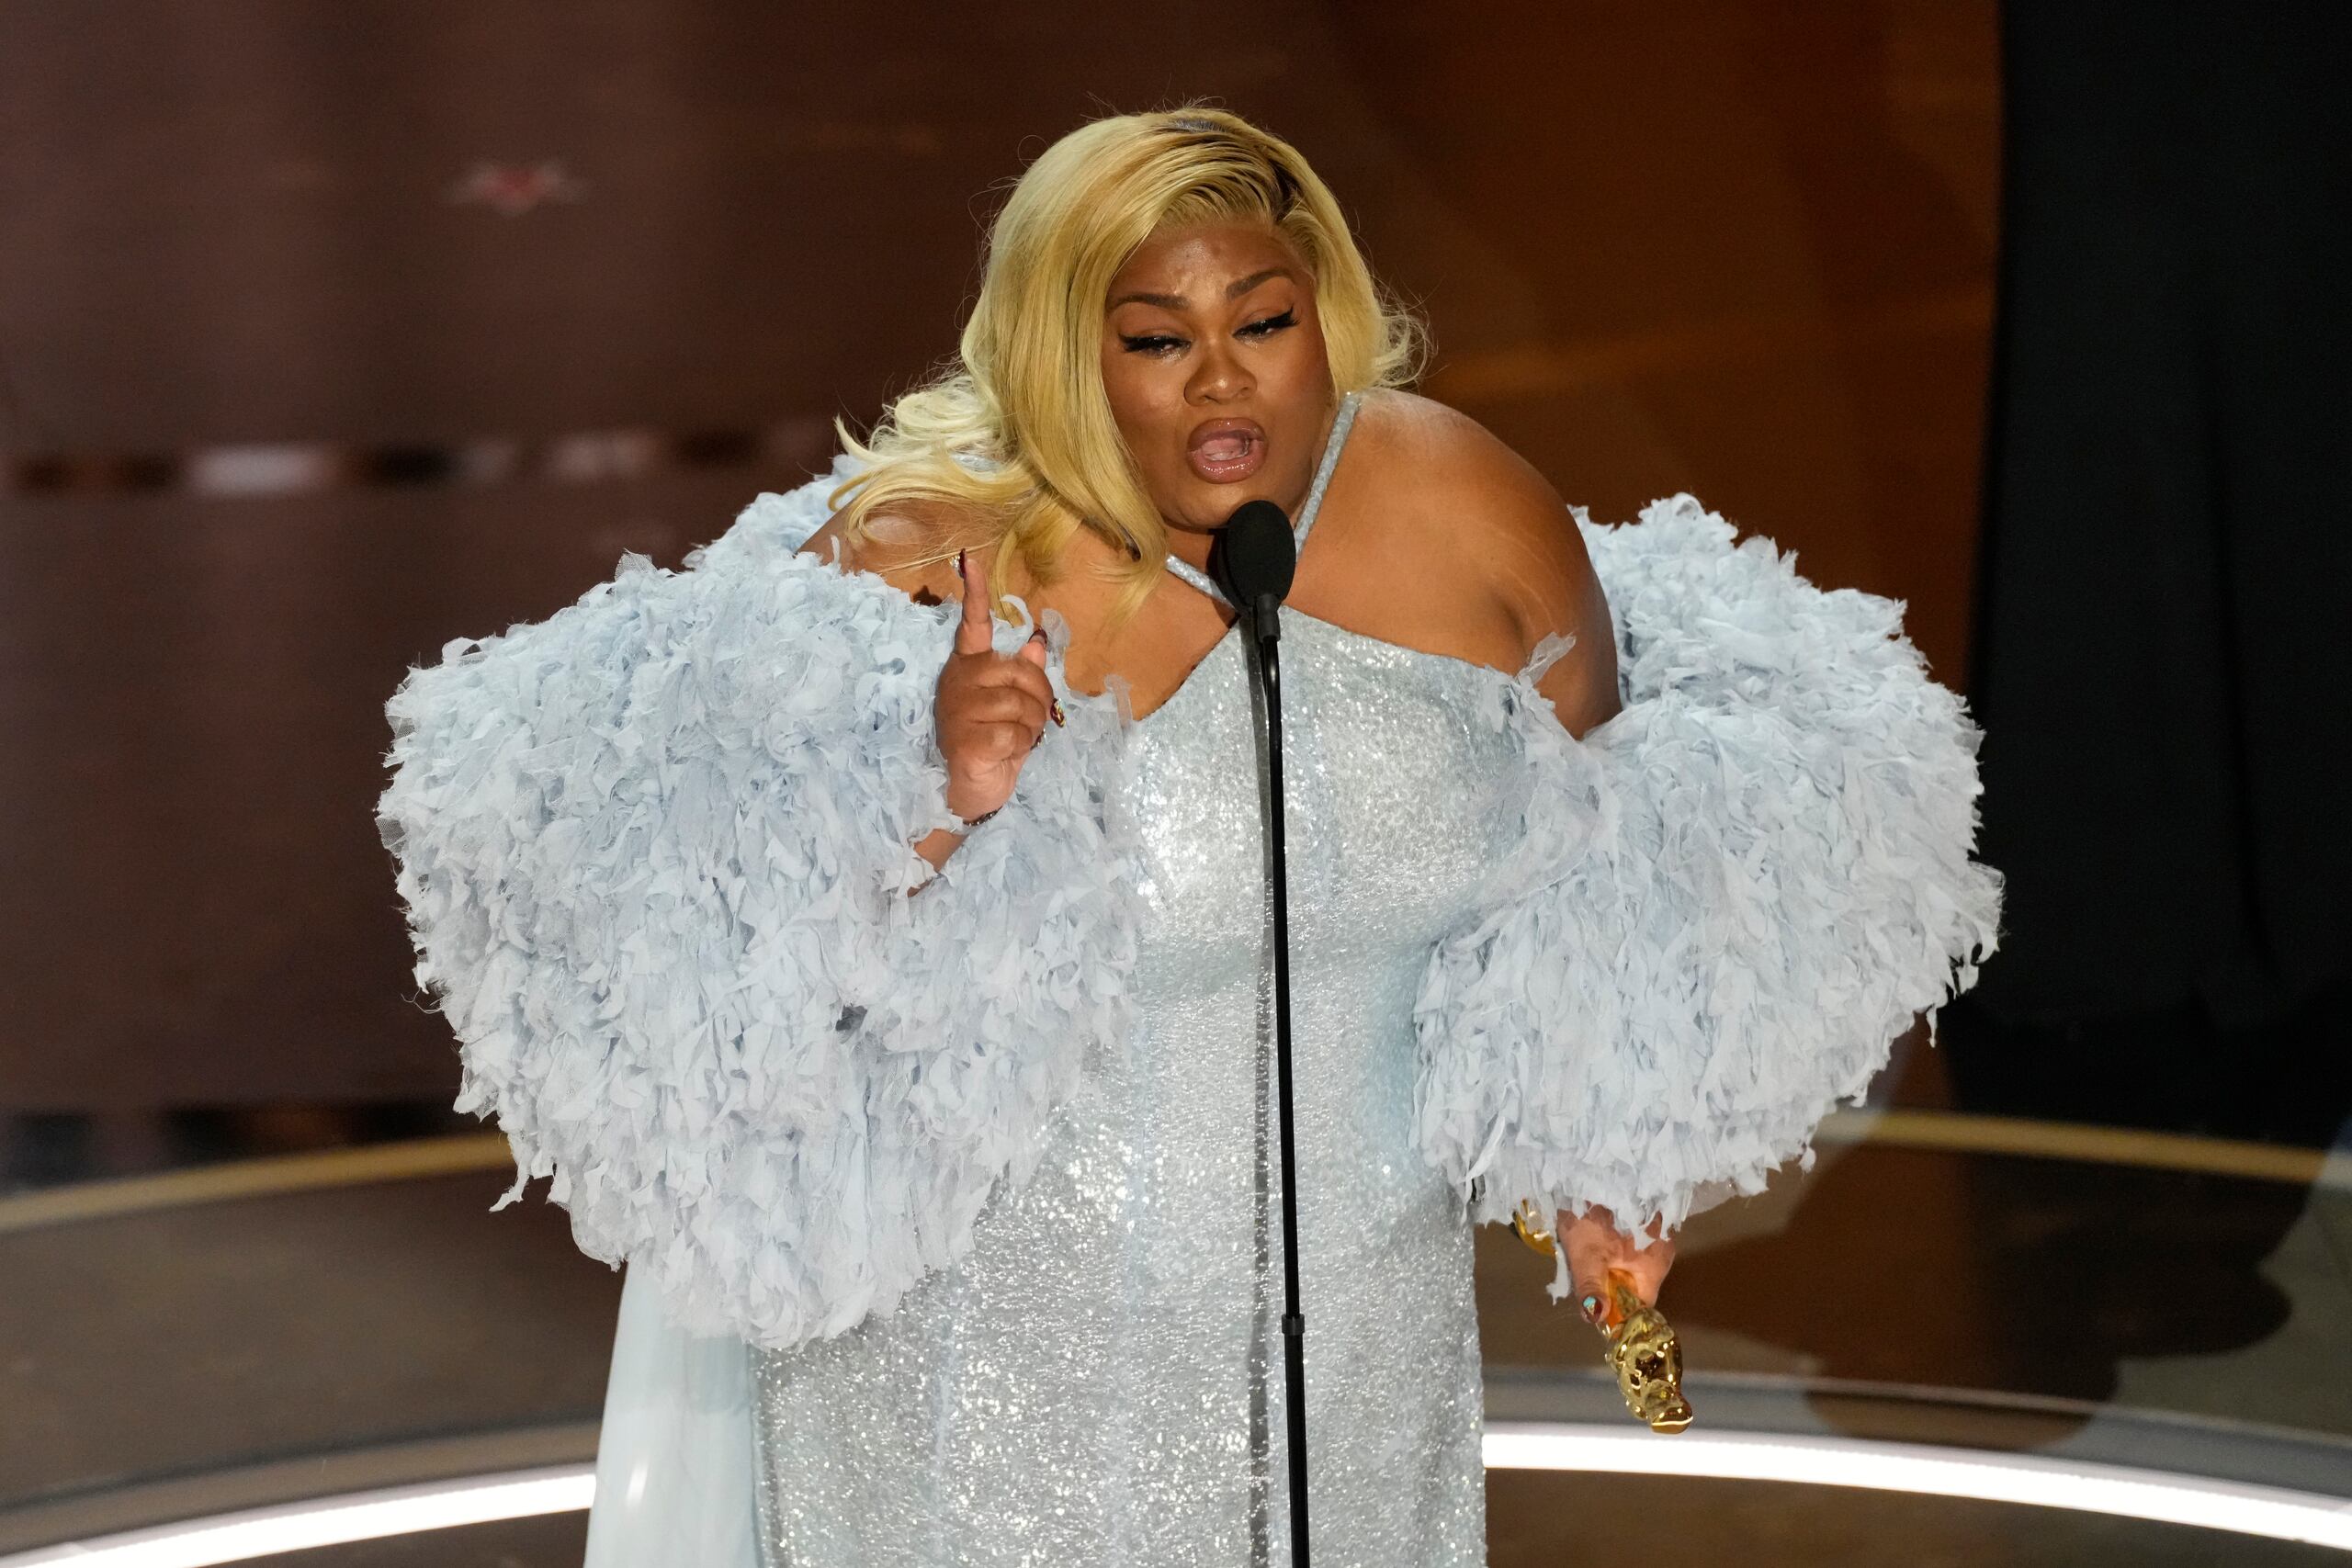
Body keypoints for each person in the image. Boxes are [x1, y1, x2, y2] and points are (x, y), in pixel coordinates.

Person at [377, 107, 2000, 1567]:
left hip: (1351, 1367)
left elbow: (1596, 854)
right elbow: (699, 961)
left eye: (1264, 324)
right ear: (1064, 357)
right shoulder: (929, 556)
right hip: (980, 1395)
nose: (1224, 381)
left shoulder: (1460, 508)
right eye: (1157, 340)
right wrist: (933, 800)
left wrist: (1603, 1154)